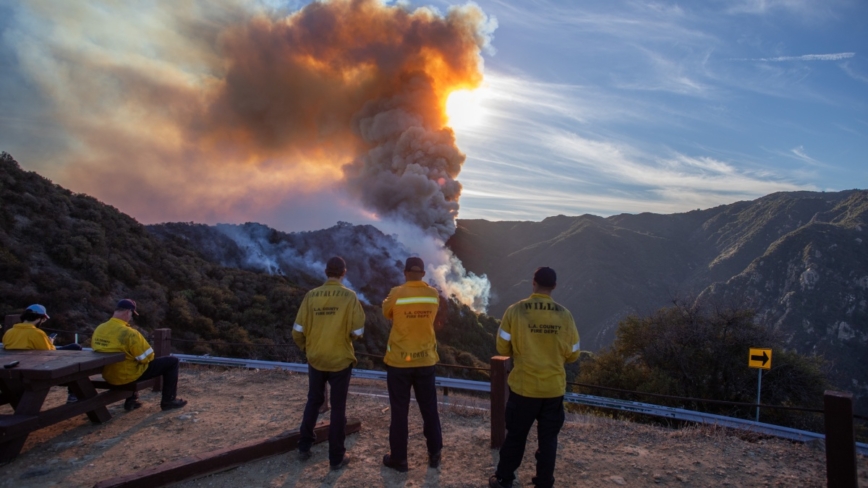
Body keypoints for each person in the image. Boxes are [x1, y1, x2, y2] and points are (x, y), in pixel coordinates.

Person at [489, 267, 581, 488]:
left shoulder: (515, 311)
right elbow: (574, 353)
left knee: (516, 437)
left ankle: (503, 479)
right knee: (548, 440)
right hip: (553, 389)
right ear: (554, 287)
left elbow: (502, 346)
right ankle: (543, 483)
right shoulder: (565, 315)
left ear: (534, 283)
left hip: (524, 388)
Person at [292, 256, 365, 470]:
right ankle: (336, 457)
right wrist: (345, 339)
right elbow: (358, 331)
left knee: (313, 400)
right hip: (340, 359)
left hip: (316, 358)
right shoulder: (349, 297)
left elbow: (297, 331)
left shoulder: (311, 296)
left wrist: (309, 348)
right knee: (338, 407)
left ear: (326, 272)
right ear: (344, 272)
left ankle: (304, 446)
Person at [381, 256, 443, 472]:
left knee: (399, 412)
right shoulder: (433, 294)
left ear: (405, 272)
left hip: (399, 362)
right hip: (425, 360)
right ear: (423, 274)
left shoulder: (396, 293)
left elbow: (385, 312)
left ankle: (399, 459)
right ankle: (435, 453)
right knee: (429, 409)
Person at [91, 299, 187, 411]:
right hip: (126, 376)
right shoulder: (130, 333)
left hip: (109, 375)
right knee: (172, 362)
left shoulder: (100, 329)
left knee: (129, 360)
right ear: (128, 312)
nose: (131, 317)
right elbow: (147, 358)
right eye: (132, 314)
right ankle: (168, 401)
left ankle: (131, 400)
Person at [3, 304, 84, 403]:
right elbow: (49, 353)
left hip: (15, 368)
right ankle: (73, 393)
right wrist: (50, 342)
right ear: (39, 319)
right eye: (44, 320)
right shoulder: (37, 333)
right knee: (75, 347)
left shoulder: (9, 332)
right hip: (35, 368)